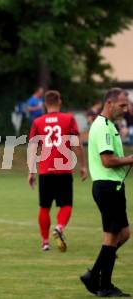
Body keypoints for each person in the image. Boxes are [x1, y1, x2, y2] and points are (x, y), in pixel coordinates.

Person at [80, 88, 132, 297]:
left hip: (113, 186)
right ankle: (102, 284)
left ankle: (95, 275)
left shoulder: (109, 125)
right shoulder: (102, 127)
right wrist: (130, 159)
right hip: (107, 186)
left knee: (124, 234)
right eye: (122, 105)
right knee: (111, 237)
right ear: (109, 103)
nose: (126, 109)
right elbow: (107, 161)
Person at [28, 90, 88, 252]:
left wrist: (31, 171)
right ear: (59, 102)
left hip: (46, 171)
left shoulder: (38, 121)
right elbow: (76, 143)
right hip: (63, 170)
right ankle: (60, 227)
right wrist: (83, 166)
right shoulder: (68, 119)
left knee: (44, 207)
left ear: (45, 104)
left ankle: (45, 242)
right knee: (66, 204)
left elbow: (33, 147)